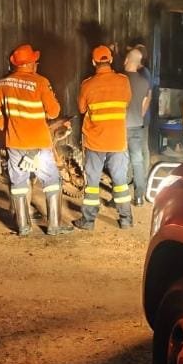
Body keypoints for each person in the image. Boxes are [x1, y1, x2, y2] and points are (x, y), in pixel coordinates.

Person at [0, 43, 73, 237]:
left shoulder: (4, 83)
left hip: (15, 142)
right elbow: (54, 111)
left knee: (18, 182)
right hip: (39, 143)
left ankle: (23, 226)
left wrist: (5, 127)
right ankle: (54, 226)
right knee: (51, 180)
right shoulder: (41, 82)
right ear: (32, 63)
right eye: (36, 61)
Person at [73, 45, 134, 230]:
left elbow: (82, 109)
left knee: (92, 183)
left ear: (93, 62)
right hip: (117, 140)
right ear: (111, 60)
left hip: (95, 141)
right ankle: (126, 219)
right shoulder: (123, 81)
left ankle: (88, 221)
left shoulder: (87, 84)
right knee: (120, 181)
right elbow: (127, 101)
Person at [123, 45, 151, 206]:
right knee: (137, 160)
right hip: (137, 125)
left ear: (127, 60)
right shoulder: (144, 82)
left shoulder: (120, 79)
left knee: (121, 162)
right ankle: (139, 196)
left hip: (121, 125)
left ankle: (119, 196)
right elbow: (144, 105)